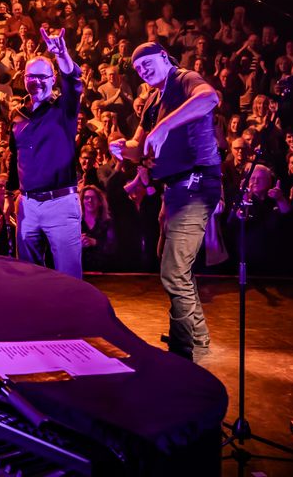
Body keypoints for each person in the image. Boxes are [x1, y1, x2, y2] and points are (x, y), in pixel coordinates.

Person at [109, 42, 221, 361]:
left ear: (163, 57)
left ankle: (183, 349)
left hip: (196, 182)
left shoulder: (183, 78)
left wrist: (165, 125)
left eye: (147, 62)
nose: (143, 70)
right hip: (174, 187)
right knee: (172, 263)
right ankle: (196, 335)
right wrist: (123, 148)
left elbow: (209, 98)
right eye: (138, 68)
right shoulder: (152, 99)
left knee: (174, 269)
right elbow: (140, 146)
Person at [7, 26, 84, 279]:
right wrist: (10, 195)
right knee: (28, 276)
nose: (37, 81)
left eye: (43, 76)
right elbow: (14, 157)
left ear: (53, 79)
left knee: (68, 277)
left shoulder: (64, 109)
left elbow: (73, 82)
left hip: (60, 203)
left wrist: (62, 54)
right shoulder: (17, 115)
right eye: (32, 76)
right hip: (27, 205)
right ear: (24, 78)